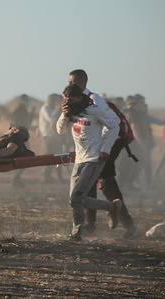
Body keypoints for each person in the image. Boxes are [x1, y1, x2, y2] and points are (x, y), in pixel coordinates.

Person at [67, 69, 137, 239]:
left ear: (82, 84)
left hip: (110, 141)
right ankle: (91, 225)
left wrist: (103, 149)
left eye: (73, 83)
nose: (69, 86)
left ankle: (125, 222)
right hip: (95, 146)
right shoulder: (73, 99)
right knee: (89, 184)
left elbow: (113, 123)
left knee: (104, 180)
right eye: (69, 82)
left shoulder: (94, 99)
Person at [56, 84, 121, 241]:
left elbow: (114, 126)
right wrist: (64, 115)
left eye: (70, 100)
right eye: (65, 100)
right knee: (75, 199)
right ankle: (112, 207)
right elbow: (60, 130)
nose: (67, 103)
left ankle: (76, 233)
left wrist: (105, 149)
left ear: (79, 97)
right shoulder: (70, 111)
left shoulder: (94, 110)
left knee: (76, 198)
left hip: (94, 159)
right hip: (79, 159)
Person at [39, 94, 63, 183]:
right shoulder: (45, 109)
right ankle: (44, 176)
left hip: (53, 137)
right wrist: (57, 111)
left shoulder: (53, 109)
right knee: (47, 156)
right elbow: (51, 120)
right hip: (47, 136)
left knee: (56, 156)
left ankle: (56, 176)